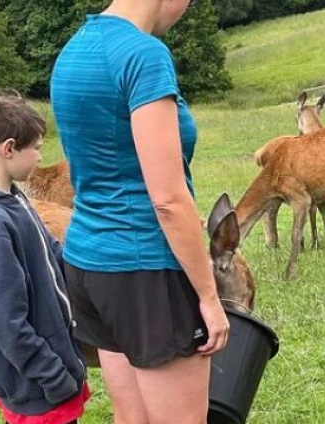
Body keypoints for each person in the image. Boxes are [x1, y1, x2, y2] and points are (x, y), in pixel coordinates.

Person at [50, 0, 230, 422]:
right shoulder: (144, 55)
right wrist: (208, 296)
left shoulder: (75, 49)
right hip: (147, 271)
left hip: (88, 264)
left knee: (132, 417)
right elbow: (167, 199)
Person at [0, 94, 90, 424]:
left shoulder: (13, 199)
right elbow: (6, 320)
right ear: (9, 149)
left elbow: (49, 251)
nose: (41, 157)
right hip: (37, 385)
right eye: (37, 148)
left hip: (48, 376)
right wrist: (53, 376)